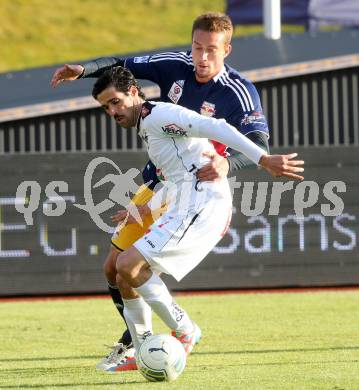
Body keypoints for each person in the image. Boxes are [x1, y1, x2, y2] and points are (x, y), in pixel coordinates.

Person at [51, 13, 273, 371]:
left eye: (211, 51)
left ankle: (173, 334)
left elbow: (258, 140)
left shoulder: (237, 91)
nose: (201, 57)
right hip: (161, 182)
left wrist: (228, 163)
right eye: (197, 47)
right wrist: (84, 69)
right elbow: (121, 65)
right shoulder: (174, 66)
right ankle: (139, 347)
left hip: (196, 188)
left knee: (131, 266)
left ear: (227, 50)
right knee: (113, 267)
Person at [91, 66, 304, 372]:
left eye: (115, 101)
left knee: (127, 264)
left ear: (134, 92)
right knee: (123, 273)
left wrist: (262, 158)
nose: (112, 110)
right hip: (184, 203)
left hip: (203, 206)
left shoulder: (161, 116)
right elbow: (178, 177)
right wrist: (144, 209)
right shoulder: (148, 126)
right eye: (105, 107)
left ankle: (185, 330)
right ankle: (142, 351)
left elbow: (217, 127)